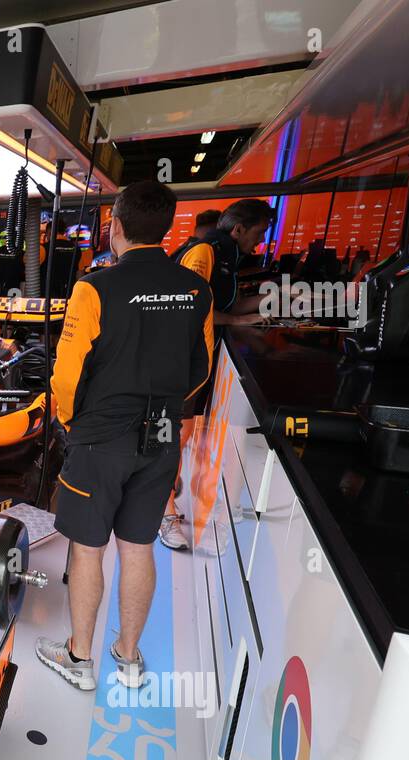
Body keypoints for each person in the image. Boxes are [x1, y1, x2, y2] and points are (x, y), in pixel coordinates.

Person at [37, 181, 212, 691]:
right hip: (161, 433)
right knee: (138, 546)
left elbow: (67, 378)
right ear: (168, 228)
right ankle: (129, 660)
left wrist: (72, 422)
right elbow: (200, 370)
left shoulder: (94, 288)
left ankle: (79, 659)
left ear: (115, 226)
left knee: (88, 547)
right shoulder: (195, 290)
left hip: (100, 435)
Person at [158, 198, 276, 550]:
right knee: (171, 440)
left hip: (197, 365)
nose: (259, 242)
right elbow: (190, 309)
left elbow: (223, 306)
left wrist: (272, 299)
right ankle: (165, 515)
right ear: (238, 229)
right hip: (178, 364)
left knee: (184, 437)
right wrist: (240, 321)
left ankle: (177, 502)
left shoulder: (226, 259)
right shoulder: (204, 253)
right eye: (257, 233)